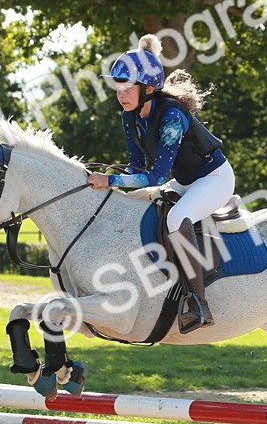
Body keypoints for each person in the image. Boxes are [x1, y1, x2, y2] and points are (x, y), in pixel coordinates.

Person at [87, 34, 235, 333]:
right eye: (118, 85)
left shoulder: (171, 116)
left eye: (128, 86)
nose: (121, 93)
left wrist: (110, 181)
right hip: (186, 181)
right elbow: (137, 168)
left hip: (214, 179)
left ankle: (199, 302)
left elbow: (156, 177)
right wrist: (107, 177)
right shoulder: (130, 117)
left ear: (149, 89)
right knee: (141, 205)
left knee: (178, 217)